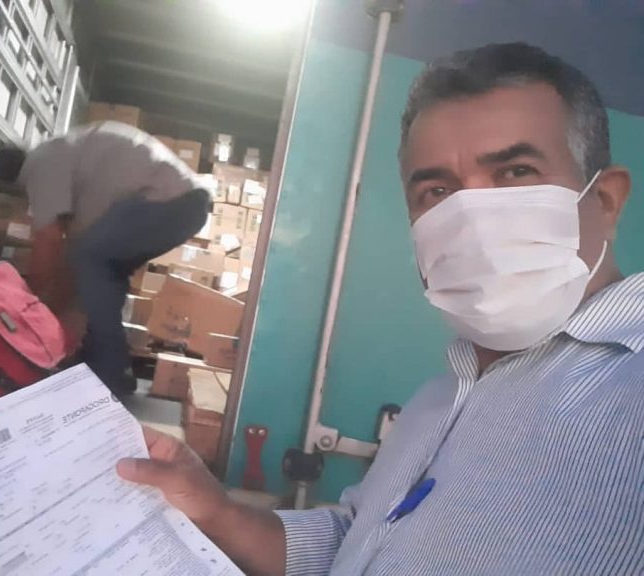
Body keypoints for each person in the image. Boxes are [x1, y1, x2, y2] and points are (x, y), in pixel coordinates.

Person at [115, 43, 644, 575]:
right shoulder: (441, 396)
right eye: (437, 190)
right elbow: (360, 543)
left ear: (605, 201)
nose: (472, 218)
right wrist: (217, 512)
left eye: (515, 172)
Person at [0, 122, 210, 392]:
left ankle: (109, 370)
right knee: (106, 272)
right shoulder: (69, 152)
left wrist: (29, 301)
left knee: (90, 258)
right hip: (186, 203)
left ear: (14, 182)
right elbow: (68, 254)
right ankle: (108, 362)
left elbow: (49, 238)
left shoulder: (40, 164)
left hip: (170, 201)